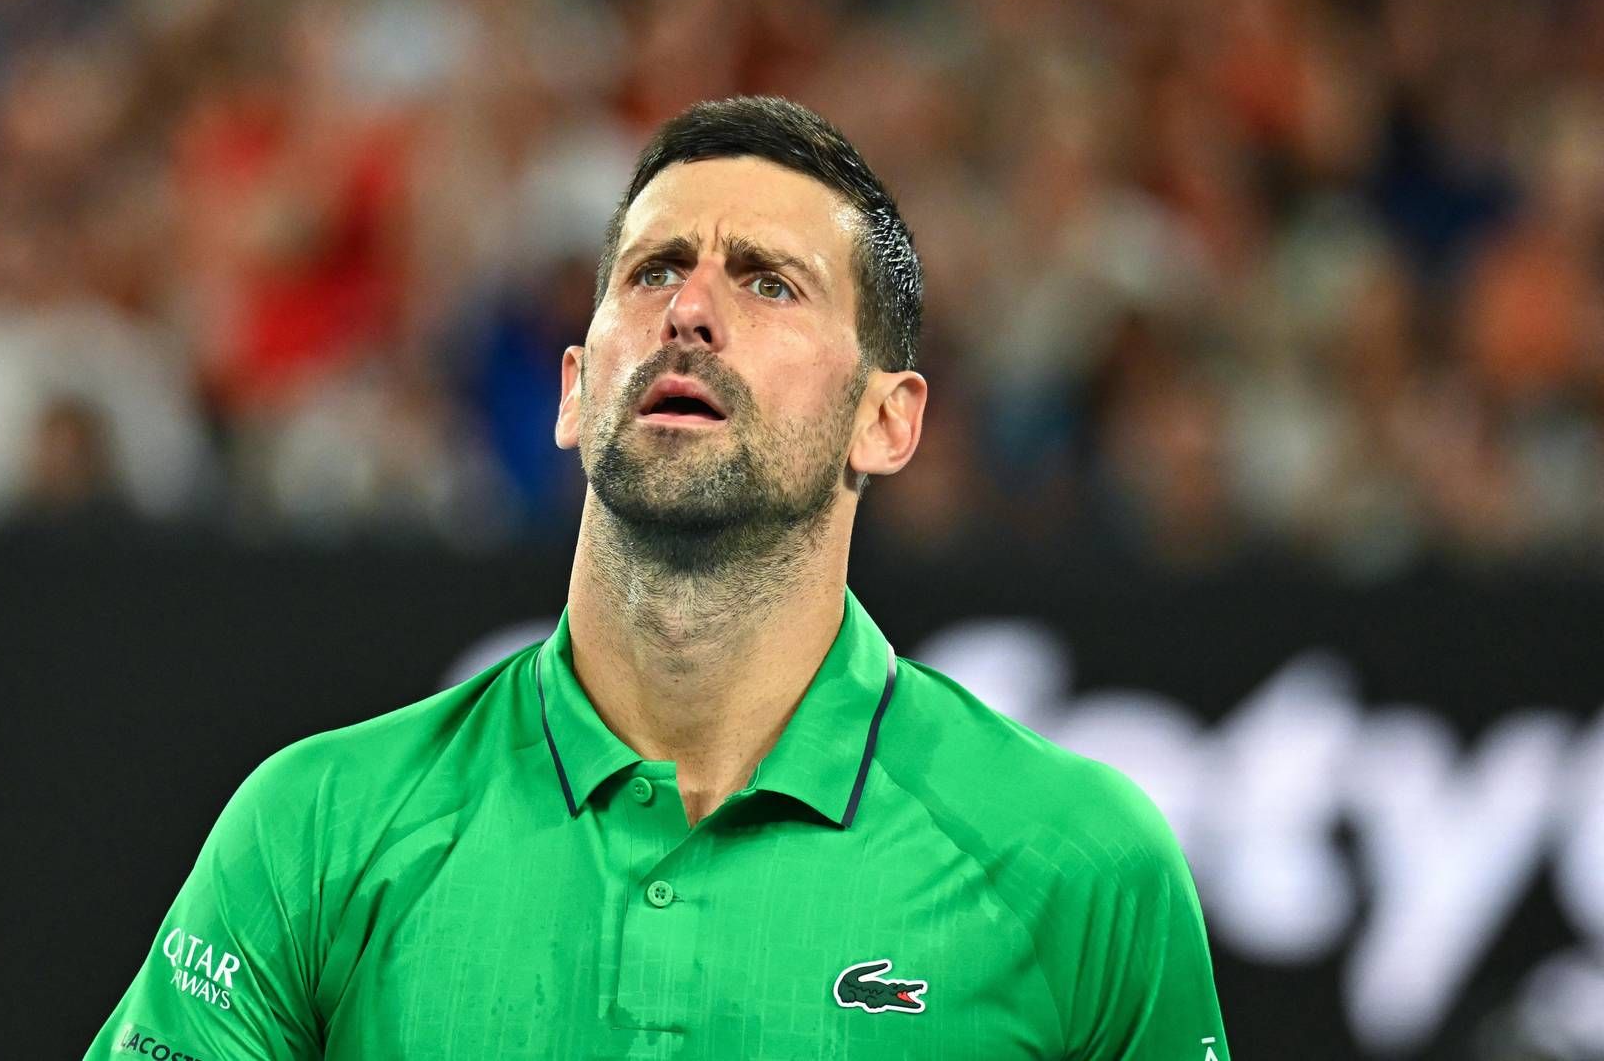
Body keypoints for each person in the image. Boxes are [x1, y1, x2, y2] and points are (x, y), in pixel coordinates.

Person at [82, 96, 1232, 1059]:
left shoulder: (1080, 865)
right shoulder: (317, 826)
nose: (691, 308)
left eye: (770, 282)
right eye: (654, 270)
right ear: (577, 390)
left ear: (885, 420)